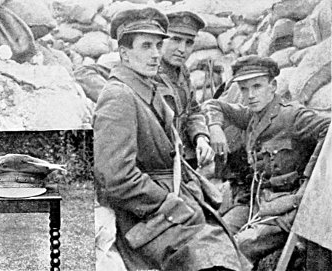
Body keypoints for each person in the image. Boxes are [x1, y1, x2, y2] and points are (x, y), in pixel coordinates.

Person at [93, 7, 250, 271]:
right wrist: (167, 203)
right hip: (143, 215)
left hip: (170, 201)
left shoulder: (147, 86)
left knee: (223, 249)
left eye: (157, 45)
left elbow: (191, 113)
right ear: (124, 53)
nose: (155, 54)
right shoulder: (119, 96)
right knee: (211, 255)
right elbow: (115, 177)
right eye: (145, 46)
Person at [200, 55, 330, 265]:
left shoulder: (292, 116)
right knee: (215, 237)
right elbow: (213, 105)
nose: (250, 95)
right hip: (257, 202)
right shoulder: (250, 116)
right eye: (244, 89)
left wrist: (308, 184)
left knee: (239, 247)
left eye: (257, 86)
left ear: (273, 86)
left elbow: (329, 130)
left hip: (286, 207)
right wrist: (215, 128)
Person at [155, 10, 214, 168]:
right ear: (160, 40)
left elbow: (193, 110)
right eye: (176, 39)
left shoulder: (183, 73)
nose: (182, 49)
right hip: (156, 160)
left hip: (181, 157)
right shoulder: (145, 70)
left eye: (189, 42)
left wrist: (201, 137)